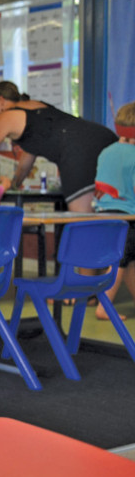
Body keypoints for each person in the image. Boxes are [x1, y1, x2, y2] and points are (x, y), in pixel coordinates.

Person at [0, 81, 118, 213]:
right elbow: (25, 164)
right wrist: (15, 183)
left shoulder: (8, 116)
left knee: (83, 222)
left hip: (79, 150)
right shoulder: (35, 107)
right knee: (114, 211)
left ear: (1, 101)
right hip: (107, 140)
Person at [93, 101, 135, 321]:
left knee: (129, 260)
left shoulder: (106, 152)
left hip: (103, 214)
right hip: (127, 216)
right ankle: (104, 307)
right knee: (120, 261)